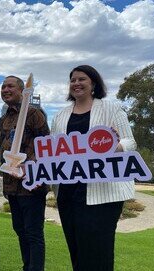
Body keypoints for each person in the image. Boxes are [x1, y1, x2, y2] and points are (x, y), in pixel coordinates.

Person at [51, 65, 136, 271]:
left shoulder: (111, 109)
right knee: (76, 250)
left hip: (103, 193)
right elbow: (53, 151)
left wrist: (114, 147)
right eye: (73, 80)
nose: (76, 84)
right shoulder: (60, 116)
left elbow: (131, 142)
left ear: (94, 84)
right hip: (68, 192)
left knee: (99, 252)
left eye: (82, 79)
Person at [0, 75, 50, 271]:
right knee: (19, 230)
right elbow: (2, 148)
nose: (5, 89)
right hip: (12, 186)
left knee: (33, 233)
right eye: (3, 87)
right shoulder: (4, 118)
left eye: (10, 86)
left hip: (31, 184)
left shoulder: (34, 114)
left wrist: (31, 166)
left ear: (22, 90)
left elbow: (46, 145)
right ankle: (27, 266)